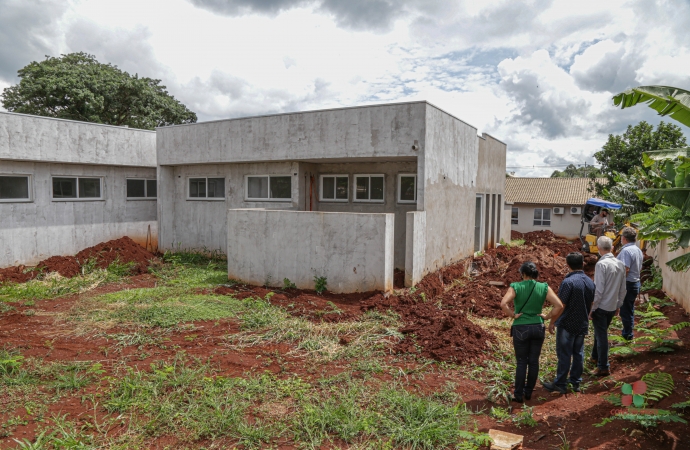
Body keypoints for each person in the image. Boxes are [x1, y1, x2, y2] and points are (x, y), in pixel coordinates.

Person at [501, 262, 563, 403]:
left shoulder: (515, 286)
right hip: (538, 327)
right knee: (534, 362)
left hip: (520, 328)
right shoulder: (544, 287)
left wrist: (512, 315)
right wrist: (547, 317)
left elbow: (503, 303)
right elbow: (559, 305)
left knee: (521, 362)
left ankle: (518, 394)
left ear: (523, 274)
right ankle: (529, 392)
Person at [542, 252, 595, 394]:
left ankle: (560, 383)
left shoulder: (568, 282)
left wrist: (552, 322)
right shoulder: (590, 281)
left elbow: (561, 305)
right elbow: (591, 303)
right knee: (578, 353)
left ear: (567, 264)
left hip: (567, 324)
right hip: (582, 323)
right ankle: (575, 382)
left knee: (564, 354)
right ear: (582, 263)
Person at [590, 236, 626, 376]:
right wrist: (619, 304)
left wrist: (593, 308)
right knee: (600, 333)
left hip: (601, 307)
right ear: (612, 248)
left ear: (598, 248)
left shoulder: (601, 265)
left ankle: (603, 366)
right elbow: (623, 289)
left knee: (601, 336)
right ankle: (594, 357)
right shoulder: (620, 264)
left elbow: (598, 290)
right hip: (612, 306)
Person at [617, 227, 644, 340]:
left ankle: (627, 336)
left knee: (625, 311)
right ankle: (628, 333)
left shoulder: (626, 251)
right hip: (635, 282)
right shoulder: (637, 250)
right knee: (629, 309)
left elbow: (625, 269)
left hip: (628, 284)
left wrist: (618, 284)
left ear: (624, 238)